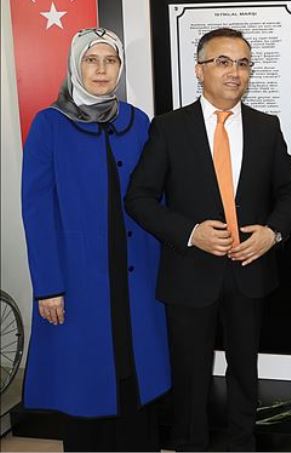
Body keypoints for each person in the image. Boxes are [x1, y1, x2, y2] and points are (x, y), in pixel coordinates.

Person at [125, 27, 291, 451]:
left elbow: (290, 191)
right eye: (223, 62)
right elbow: (138, 198)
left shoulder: (265, 127)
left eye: (243, 64)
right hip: (190, 272)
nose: (234, 73)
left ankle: (242, 443)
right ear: (199, 70)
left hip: (249, 270)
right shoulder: (169, 128)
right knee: (190, 374)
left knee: (244, 371)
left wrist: (272, 233)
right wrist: (190, 233)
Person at [21, 28, 170, 451]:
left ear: (120, 67)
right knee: (85, 376)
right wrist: (48, 286)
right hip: (77, 275)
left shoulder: (136, 121)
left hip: (138, 270)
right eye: (92, 60)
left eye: (111, 60)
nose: (102, 70)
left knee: (136, 365)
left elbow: (158, 196)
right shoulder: (49, 124)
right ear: (76, 65)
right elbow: (37, 210)